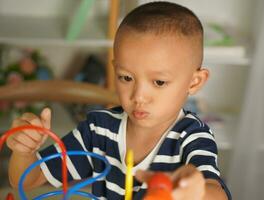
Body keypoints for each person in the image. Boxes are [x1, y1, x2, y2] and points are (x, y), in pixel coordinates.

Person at [6, 1, 231, 199]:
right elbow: (27, 180)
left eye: (159, 82)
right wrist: (24, 152)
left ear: (194, 82)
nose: (138, 96)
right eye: (126, 78)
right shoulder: (98, 130)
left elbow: (215, 192)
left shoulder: (192, 137)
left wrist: (196, 192)